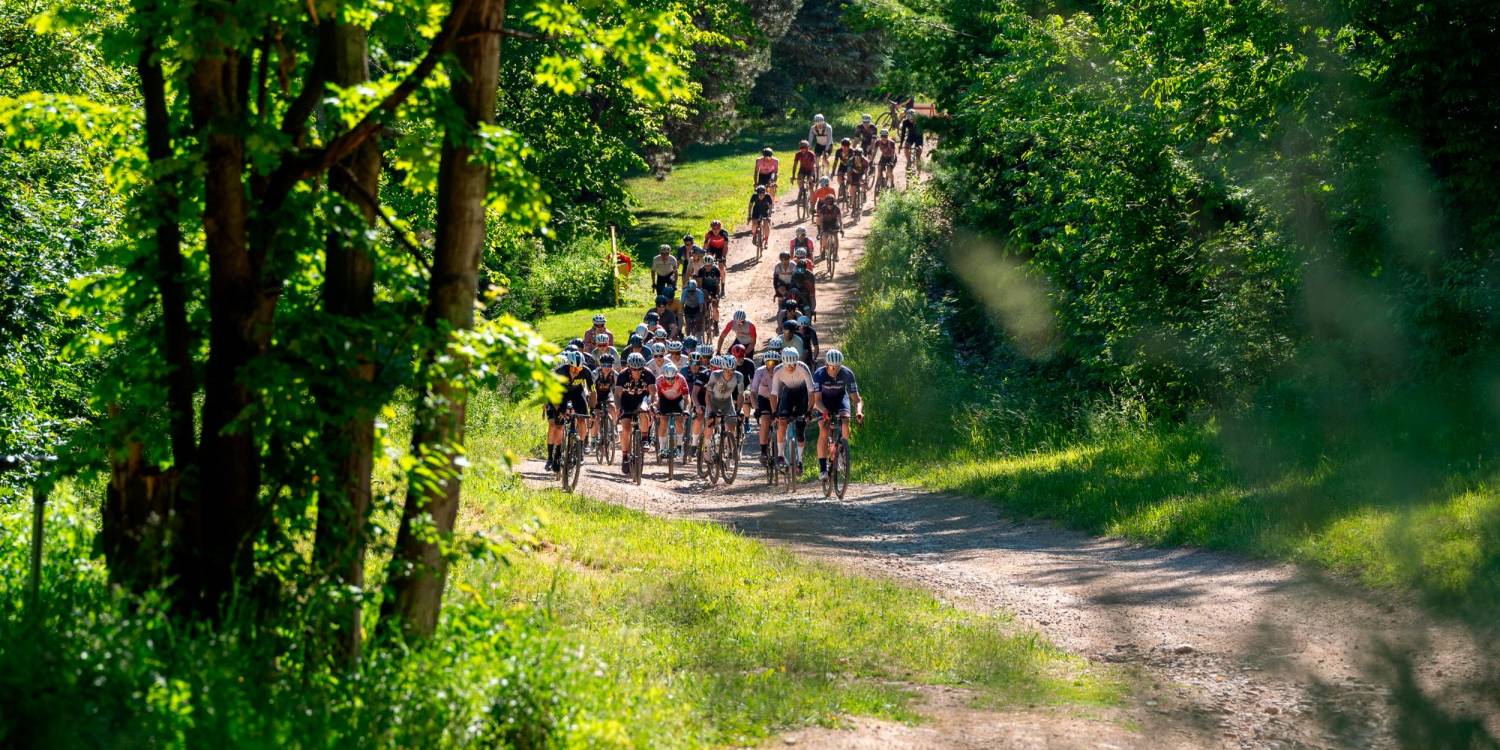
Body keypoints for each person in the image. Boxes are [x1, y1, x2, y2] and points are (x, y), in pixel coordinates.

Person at [812, 349, 861, 480]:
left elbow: (856, 399)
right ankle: (823, 468)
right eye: (832, 367)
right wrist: (825, 411)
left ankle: (842, 451)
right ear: (826, 365)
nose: (835, 370)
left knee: (845, 421)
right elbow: (817, 400)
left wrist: (859, 411)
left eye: (838, 367)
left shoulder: (847, 373)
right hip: (824, 402)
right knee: (824, 430)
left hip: (840, 399)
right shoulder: (819, 374)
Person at [545, 350, 593, 474]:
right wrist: (559, 410)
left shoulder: (586, 372)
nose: (576, 371)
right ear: (569, 365)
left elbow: (593, 391)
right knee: (559, 426)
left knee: (582, 419)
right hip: (560, 394)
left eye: (579, 368)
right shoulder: (559, 372)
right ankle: (556, 454)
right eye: (573, 368)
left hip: (577, 393)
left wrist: (592, 410)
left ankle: (580, 449)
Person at [770, 348, 814, 471]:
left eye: (793, 364)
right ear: (783, 363)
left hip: (802, 394)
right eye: (787, 365)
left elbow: (812, 392)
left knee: (800, 429)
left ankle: (800, 460)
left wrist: (809, 411)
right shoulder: (778, 370)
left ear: (797, 361)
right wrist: (774, 412)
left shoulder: (803, 367)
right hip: (787, 393)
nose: (790, 367)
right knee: (782, 421)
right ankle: (780, 455)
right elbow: (773, 394)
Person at [615, 353, 656, 473]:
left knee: (643, 410)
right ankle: (625, 456)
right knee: (626, 428)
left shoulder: (648, 374)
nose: (637, 372)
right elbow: (617, 394)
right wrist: (618, 408)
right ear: (629, 367)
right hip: (626, 401)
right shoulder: (622, 375)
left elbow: (653, 393)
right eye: (634, 369)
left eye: (639, 369)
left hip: (641, 399)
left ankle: (644, 438)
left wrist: (652, 405)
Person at [701, 355, 745, 450]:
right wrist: (710, 410)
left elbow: (741, 395)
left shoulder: (739, 376)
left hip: (727, 401)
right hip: (713, 401)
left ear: (735, 368)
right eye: (726, 370)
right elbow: (708, 394)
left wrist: (739, 410)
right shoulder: (715, 375)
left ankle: (729, 449)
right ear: (722, 368)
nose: (729, 373)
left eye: (732, 370)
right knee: (710, 422)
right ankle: (706, 448)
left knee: (732, 423)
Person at [654, 362, 691, 459]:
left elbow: (686, 396)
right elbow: (656, 396)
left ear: (676, 375)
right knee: (663, 420)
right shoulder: (659, 380)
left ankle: (679, 446)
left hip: (677, 399)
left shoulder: (681, 379)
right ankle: (662, 448)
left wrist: (686, 409)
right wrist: (657, 409)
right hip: (664, 399)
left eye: (672, 378)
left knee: (679, 420)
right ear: (663, 376)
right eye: (667, 378)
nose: (670, 381)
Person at [749, 349, 779, 465]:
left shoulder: (781, 371)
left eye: (775, 363)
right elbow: (753, 392)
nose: (772, 366)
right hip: (764, 398)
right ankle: (763, 452)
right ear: (765, 363)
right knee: (765, 421)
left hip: (778, 398)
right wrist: (756, 408)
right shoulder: (760, 372)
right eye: (769, 363)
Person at [590, 353, 618, 450]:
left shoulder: (615, 375)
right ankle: (593, 439)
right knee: (596, 417)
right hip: (596, 395)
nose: (606, 367)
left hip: (607, 394)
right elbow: (590, 388)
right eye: (604, 365)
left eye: (609, 365)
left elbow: (618, 389)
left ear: (612, 365)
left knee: (613, 407)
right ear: (600, 365)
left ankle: (613, 428)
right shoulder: (595, 373)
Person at [746, 185, 774, 250]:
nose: (761, 196)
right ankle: (754, 235)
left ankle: (766, 241)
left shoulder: (768, 196)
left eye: (762, 194)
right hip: (756, 210)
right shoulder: (754, 196)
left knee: (766, 225)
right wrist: (749, 215)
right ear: (757, 193)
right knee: (754, 224)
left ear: (765, 193)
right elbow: (750, 205)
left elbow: (770, 206)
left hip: (765, 210)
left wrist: (769, 215)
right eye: (760, 195)